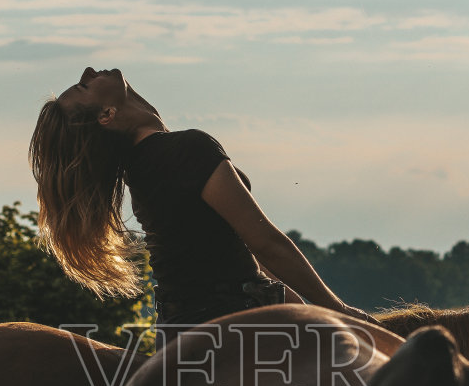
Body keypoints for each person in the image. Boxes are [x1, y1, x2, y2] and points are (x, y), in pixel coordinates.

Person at [30, 67, 371, 327]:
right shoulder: (186, 150)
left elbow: (242, 255)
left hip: (179, 329)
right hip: (236, 326)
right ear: (106, 115)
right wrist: (340, 311)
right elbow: (265, 242)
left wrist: (306, 311)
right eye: (83, 86)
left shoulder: (142, 168)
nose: (88, 72)